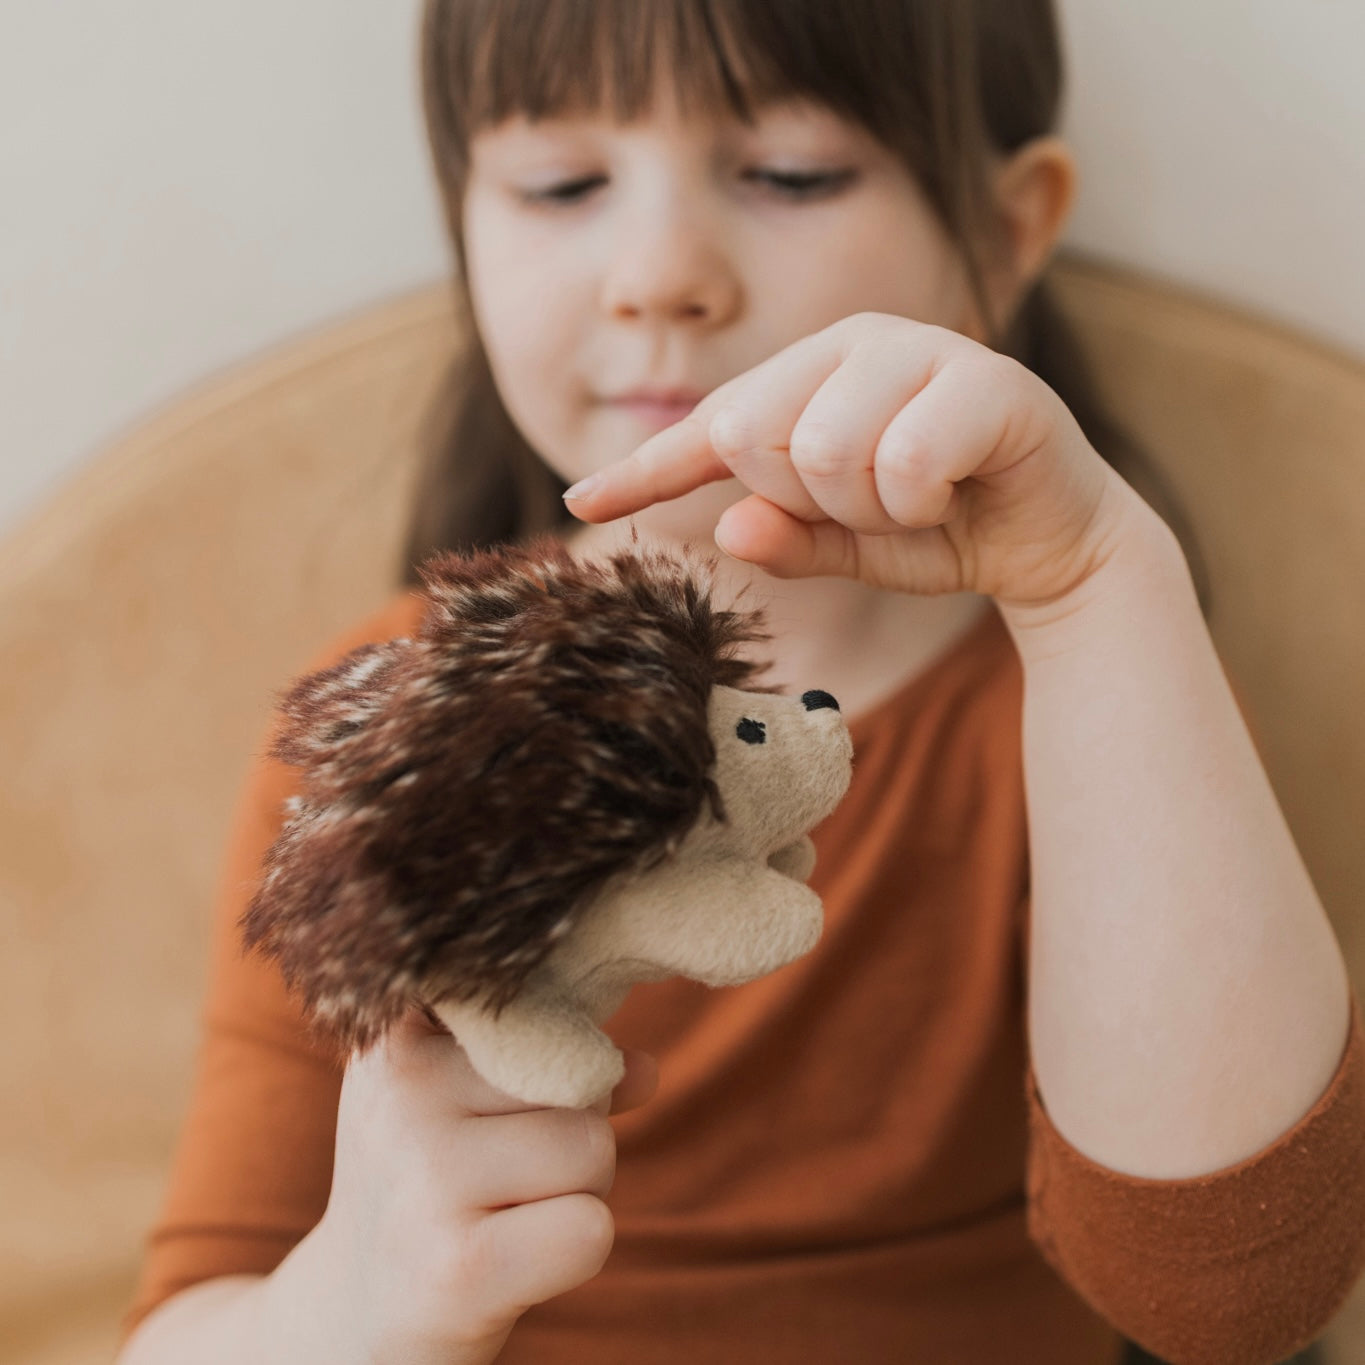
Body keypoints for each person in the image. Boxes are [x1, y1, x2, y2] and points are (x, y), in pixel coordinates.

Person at [115, 2, 1365, 1362]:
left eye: (789, 174)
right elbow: (189, 1323)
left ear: (1005, 234)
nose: (659, 273)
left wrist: (1093, 581)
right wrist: (357, 1297)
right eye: (561, 184)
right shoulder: (395, 727)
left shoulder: (1086, 690)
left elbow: (1234, 1300)